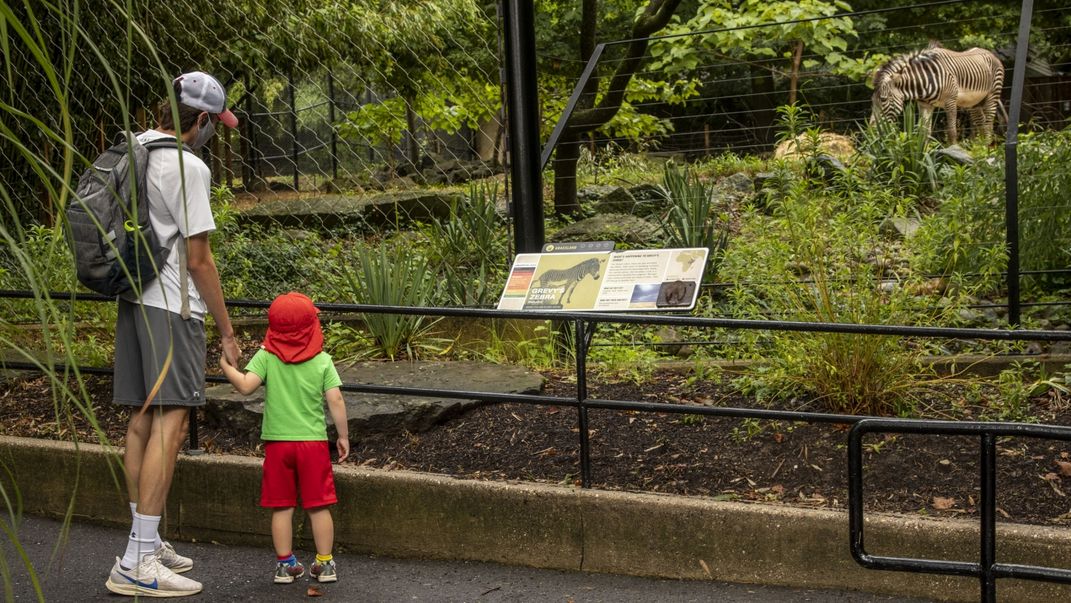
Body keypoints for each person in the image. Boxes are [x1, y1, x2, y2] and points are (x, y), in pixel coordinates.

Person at [105, 71, 241, 598]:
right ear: (202, 121)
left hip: (132, 299)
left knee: (141, 418)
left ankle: (146, 539)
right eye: (215, 124)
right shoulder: (188, 166)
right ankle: (137, 561)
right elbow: (200, 259)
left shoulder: (130, 149)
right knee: (173, 425)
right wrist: (227, 332)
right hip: (171, 305)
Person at [219, 291, 350, 585]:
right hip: (313, 443)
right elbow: (336, 400)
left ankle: (285, 565)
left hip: (278, 444)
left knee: (282, 505)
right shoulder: (322, 360)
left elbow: (245, 386)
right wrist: (342, 436)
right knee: (318, 505)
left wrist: (226, 366)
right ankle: (325, 564)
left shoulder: (267, 356)